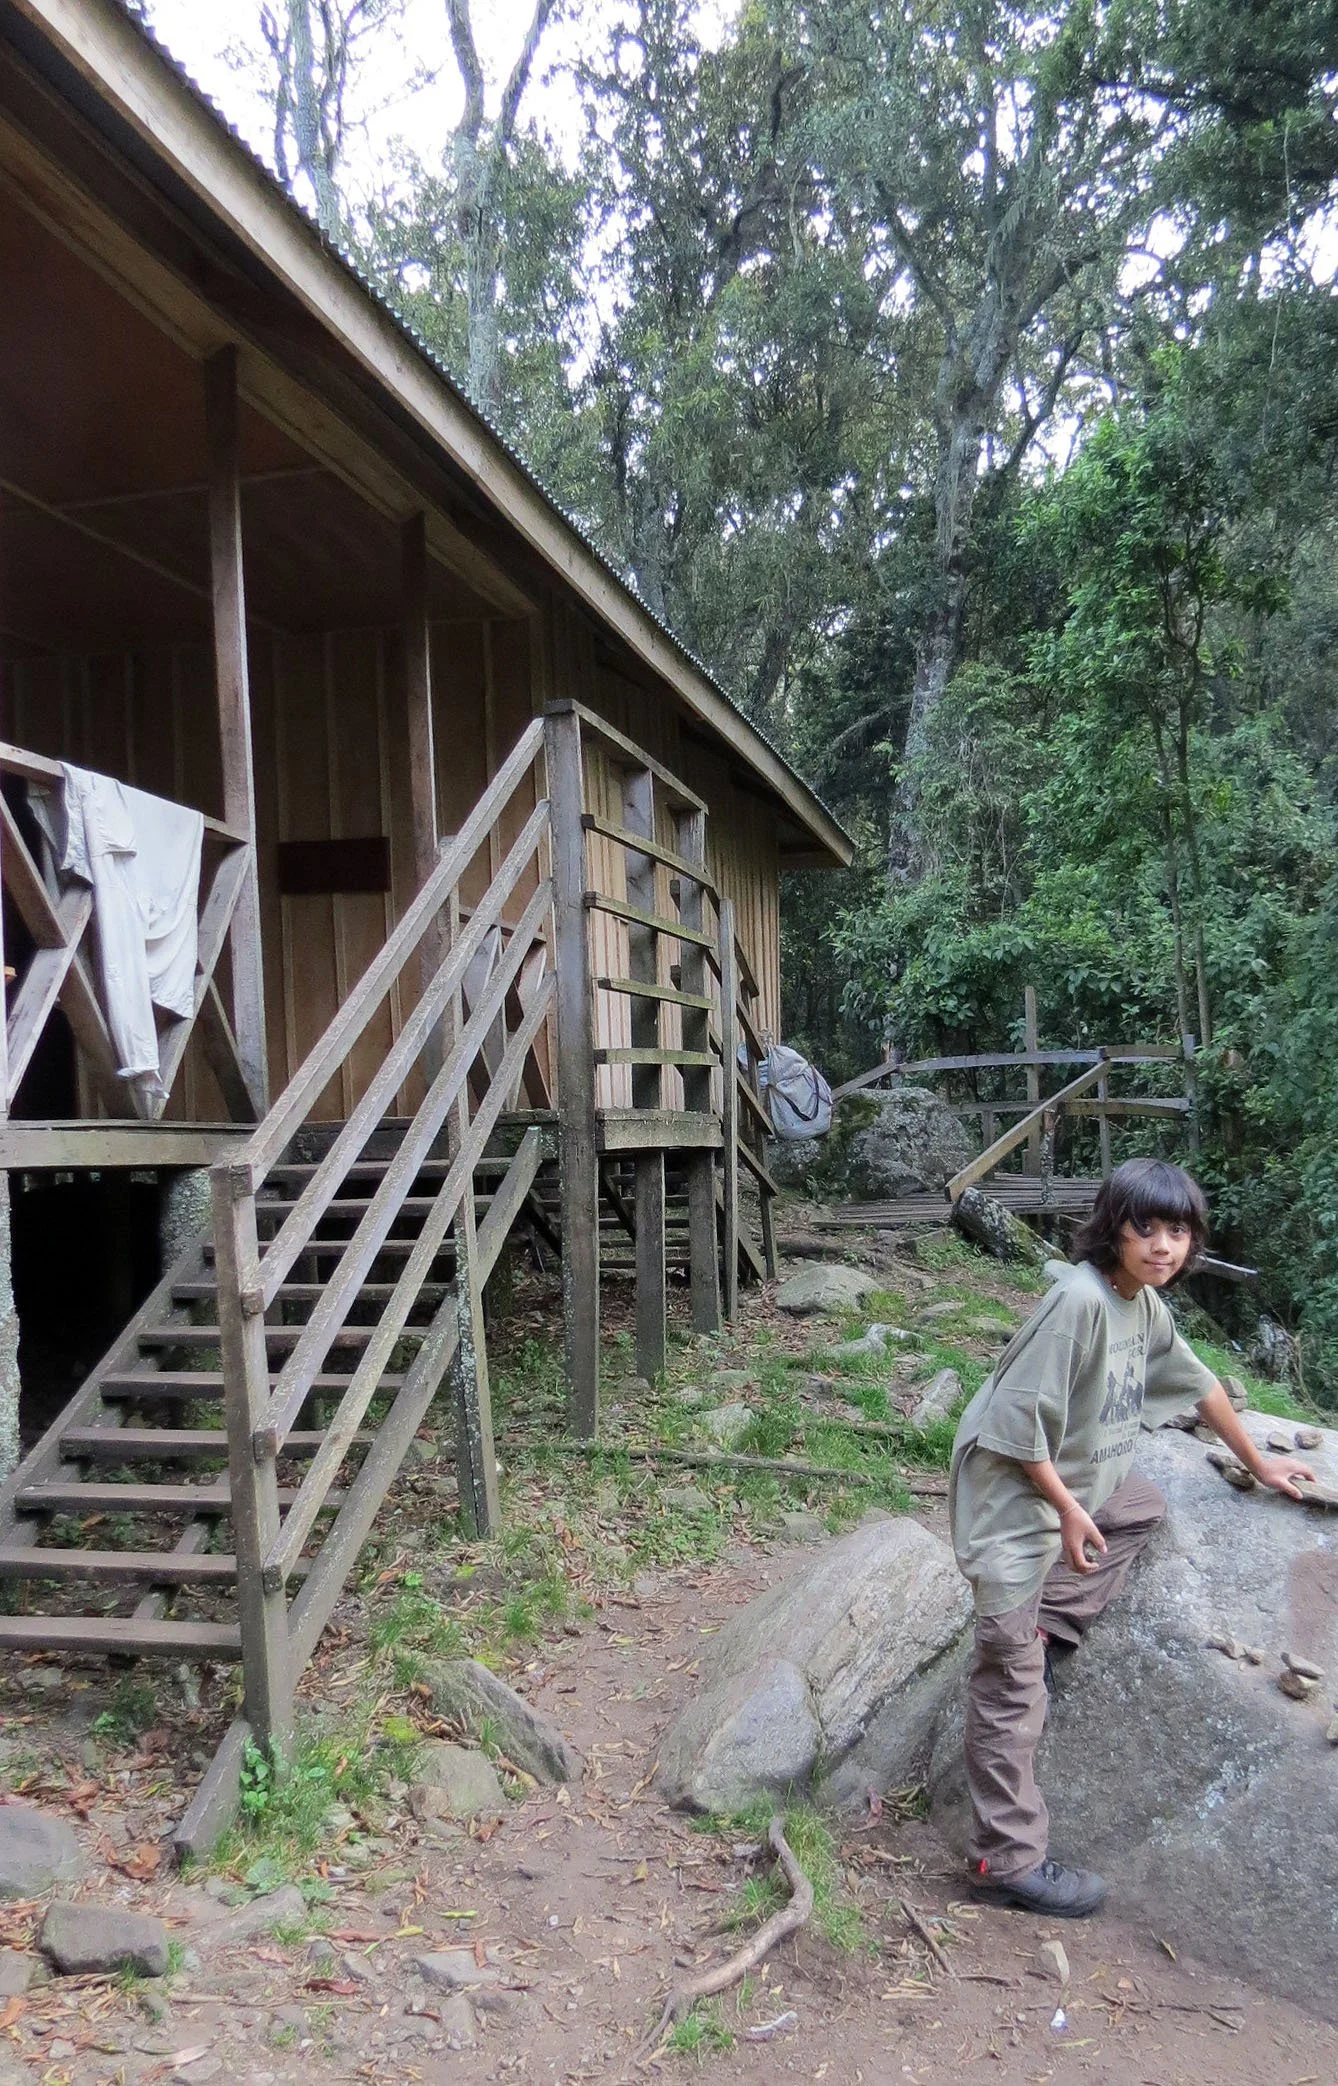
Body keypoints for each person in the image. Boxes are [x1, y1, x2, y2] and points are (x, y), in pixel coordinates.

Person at [947, 1156, 1313, 1918]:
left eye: (1177, 1231)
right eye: (1145, 1228)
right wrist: (1068, 1512)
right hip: (1018, 1506)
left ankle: (1049, 1623)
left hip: (1080, 1496)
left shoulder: (1141, 1305)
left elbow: (1199, 1381)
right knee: (1010, 1687)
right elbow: (1016, 1431)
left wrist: (1260, 1461)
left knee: (1142, 1504)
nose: (1162, 1246)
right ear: (1113, 1228)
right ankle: (1004, 1862)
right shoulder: (1077, 1302)